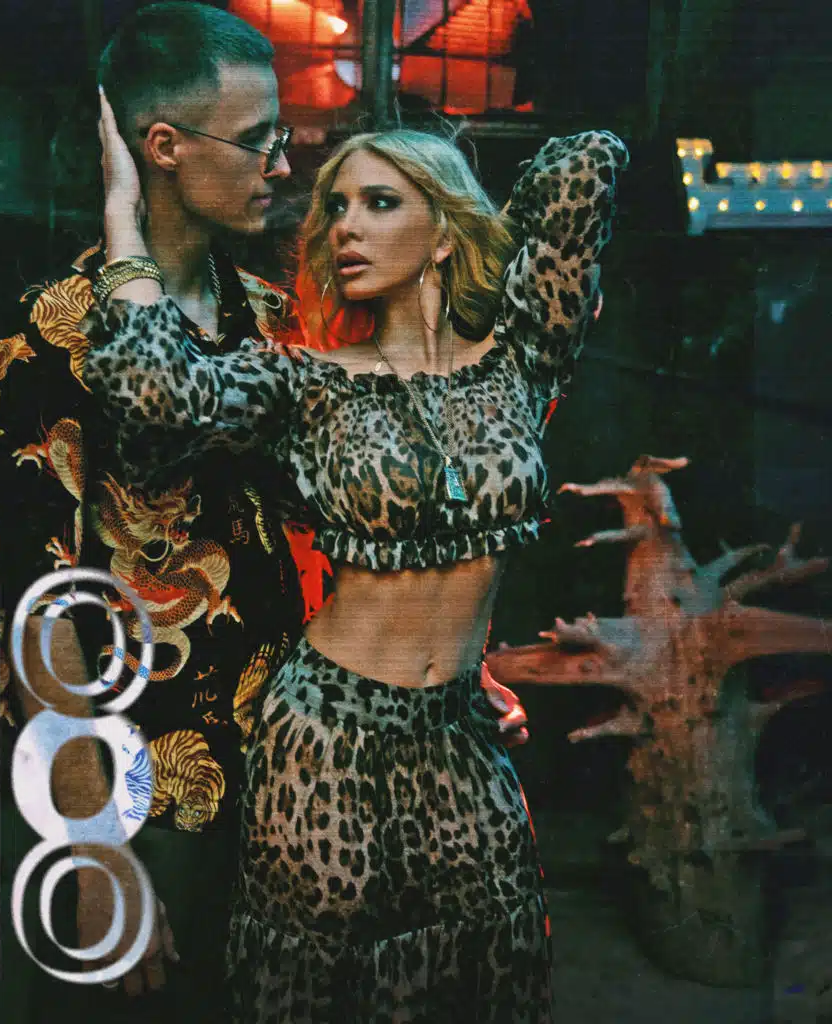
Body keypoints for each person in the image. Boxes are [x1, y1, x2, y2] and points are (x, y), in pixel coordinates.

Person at [0, 4, 530, 1020]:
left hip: (297, 786)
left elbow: (334, 534)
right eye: (259, 139)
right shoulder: (48, 342)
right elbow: (26, 608)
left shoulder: (278, 324)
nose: (284, 162)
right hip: (142, 802)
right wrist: (93, 850)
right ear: (165, 148)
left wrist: (446, 667)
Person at [87, 92, 628, 1021]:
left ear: (443, 230)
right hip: (325, 738)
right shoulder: (307, 382)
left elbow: (590, 157)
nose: (345, 226)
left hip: (462, 734)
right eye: (335, 206)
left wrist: (479, 218)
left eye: (381, 202)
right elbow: (154, 394)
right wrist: (122, 215)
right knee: (312, 993)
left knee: (492, 978)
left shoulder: (522, 360)